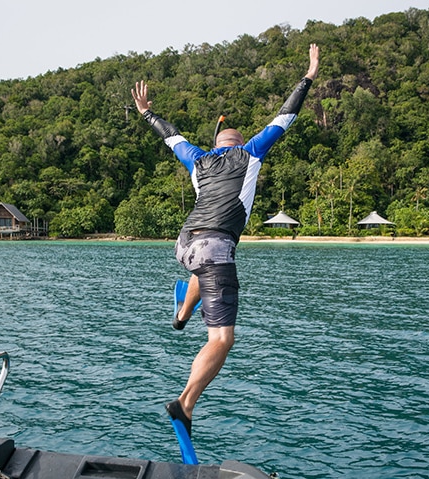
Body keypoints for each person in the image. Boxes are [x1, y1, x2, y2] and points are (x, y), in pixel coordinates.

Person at [131, 44, 320, 437]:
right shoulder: (251, 153)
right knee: (222, 338)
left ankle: (182, 316)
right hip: (216, 248)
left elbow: (171, 136)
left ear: (218, 144)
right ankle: (184, 405)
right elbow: (286, 115)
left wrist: (147, 112)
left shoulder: (198, 160)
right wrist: (309, 76)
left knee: (204, 269)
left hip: (184, 245)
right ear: (238, 143)